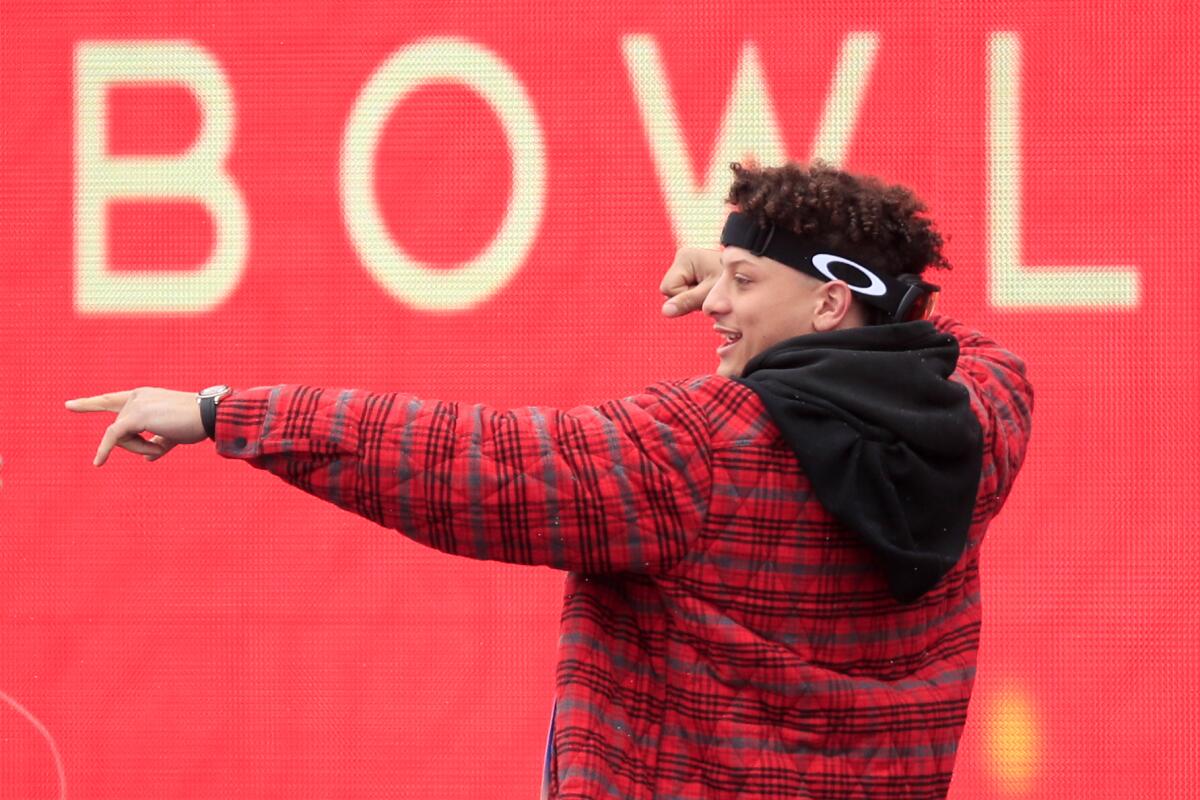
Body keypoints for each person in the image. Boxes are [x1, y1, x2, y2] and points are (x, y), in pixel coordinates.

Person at [66, 161, 1033, 799]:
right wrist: (776, 275)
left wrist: (223, 412)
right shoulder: (979, 418)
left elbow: (461, 460)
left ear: (828, 300)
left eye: (743, 281)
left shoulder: (695, 449)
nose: (717, 305)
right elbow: (946, 337)